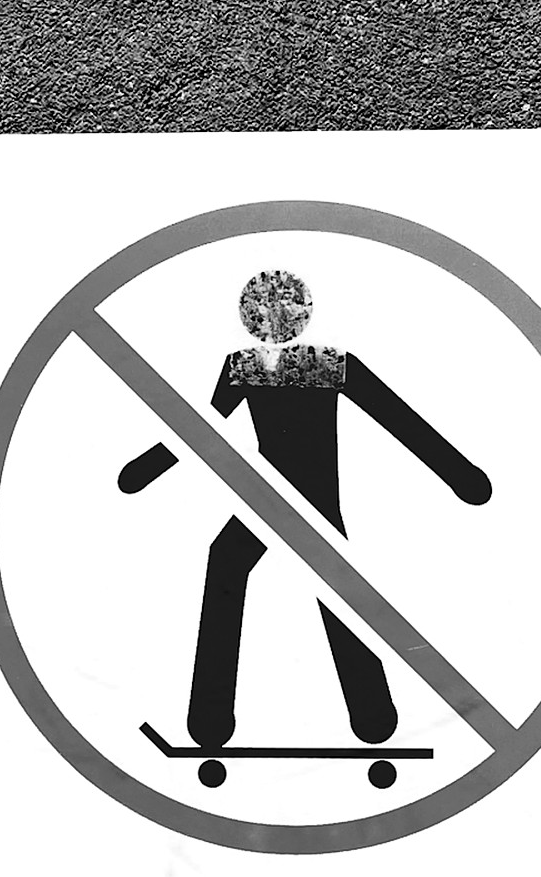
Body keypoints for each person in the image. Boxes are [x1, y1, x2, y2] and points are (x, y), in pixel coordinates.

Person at [119, 270, 491, 751]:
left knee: (262, 572)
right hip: (282, 499)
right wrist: (461, 476)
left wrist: (461, 476)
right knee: (257, 569)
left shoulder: (280, 364)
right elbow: (202, 429)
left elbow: (397, 418)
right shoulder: (275, 364)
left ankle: (355, 714)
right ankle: (357, 714)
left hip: (294, 502)